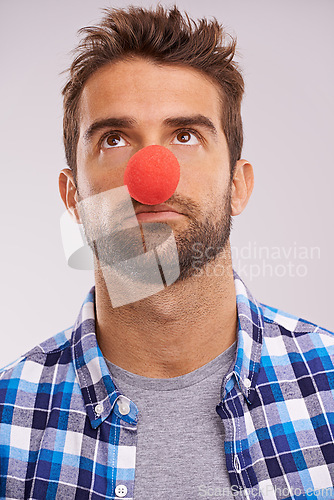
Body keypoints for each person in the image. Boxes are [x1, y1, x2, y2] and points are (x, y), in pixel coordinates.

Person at [0, 5, 333, 499]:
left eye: (185, 135)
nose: (152, 174)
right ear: (73, 197)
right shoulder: (8, 425)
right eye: (114, 139)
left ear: (238, 185)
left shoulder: (328, 389)